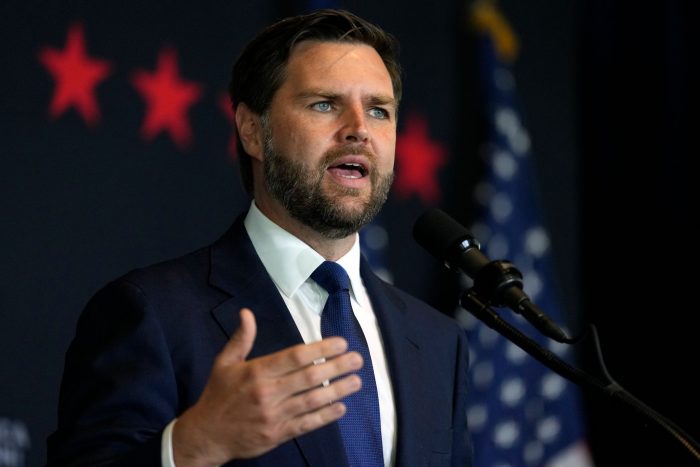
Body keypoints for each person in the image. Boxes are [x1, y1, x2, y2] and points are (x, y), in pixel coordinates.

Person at [47, 9, 472, 467]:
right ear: (252, 130)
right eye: (324, 104)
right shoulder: (153, 313)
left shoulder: (437, 342)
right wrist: (191, 445)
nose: (359, 129)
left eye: (378, 110)